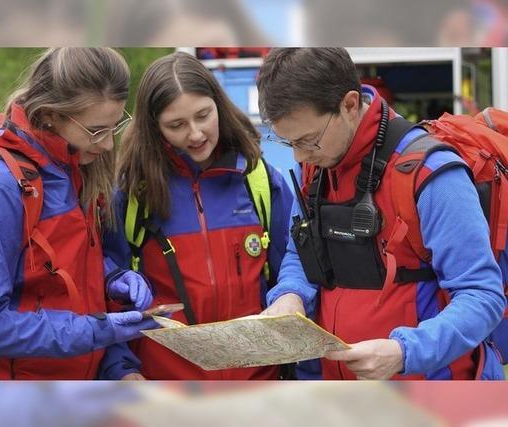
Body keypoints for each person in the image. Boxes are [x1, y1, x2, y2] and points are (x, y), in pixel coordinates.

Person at [256, 47, 506, 380]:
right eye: (289, 144)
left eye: (309, 140)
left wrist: (405, 351)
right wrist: (290, 294)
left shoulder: (432, 174)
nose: (300, 156)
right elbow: (299, 254)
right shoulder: (317, 169)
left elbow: (481, 296)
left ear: (348, 105)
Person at [0, 47, 158, 380]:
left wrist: (111, 277)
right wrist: (100, 331)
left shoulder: (73, 170)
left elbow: (53, 268)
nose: (108, 145)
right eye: (96, 131)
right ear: (49, 115)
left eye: (115, 126)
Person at [102, 51, 294, 380]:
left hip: (257, 380)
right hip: (167, 385)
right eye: (176, 125)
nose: (195, 134)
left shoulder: (258, 178)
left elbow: (296, 269)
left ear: (219, 104)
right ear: (154, 129)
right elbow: (105, 292)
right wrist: (120, 370)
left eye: (203, 115)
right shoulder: (133, 194)